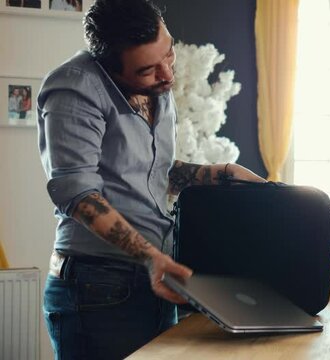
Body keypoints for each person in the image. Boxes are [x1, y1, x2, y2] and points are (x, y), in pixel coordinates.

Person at [37, 0, 264, 358]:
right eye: (148, 70)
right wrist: (150, 257)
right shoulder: (74, 87)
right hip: (98, 289)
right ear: (109, 67)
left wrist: (218, 173)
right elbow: (77, 194)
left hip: (154, 277)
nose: (168, 76)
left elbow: (158, 170)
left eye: (169, 54)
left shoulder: (157, 84)